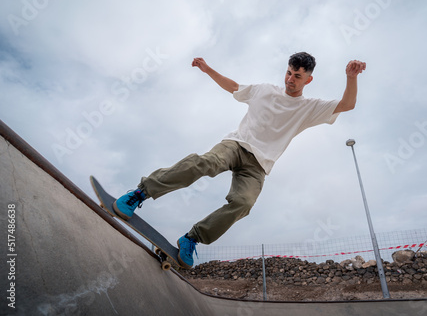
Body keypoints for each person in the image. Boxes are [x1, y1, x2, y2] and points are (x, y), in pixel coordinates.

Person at [113, 52, 366, 269]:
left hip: (258, 166)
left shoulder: (310, 107)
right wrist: (207, 68)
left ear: (308, 79)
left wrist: (351, 77)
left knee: (244, 203)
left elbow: (347, 104)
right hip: (236, 145)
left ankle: (191, 238)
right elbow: (233, 87)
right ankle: (140, 193)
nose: (290, 79)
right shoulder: (265, 90)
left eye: (297, 76)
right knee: (205, 163)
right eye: (289, 72)